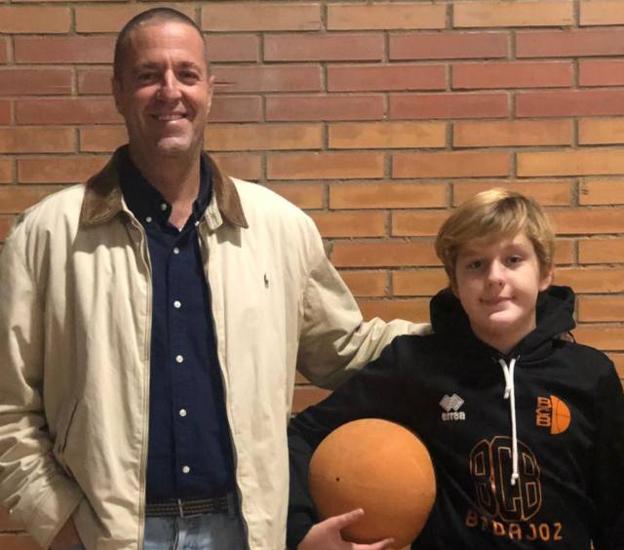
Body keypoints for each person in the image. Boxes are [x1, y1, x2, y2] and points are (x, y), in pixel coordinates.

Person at [0, 8, 428, 550]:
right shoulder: (46, 237)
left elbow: (344, 350)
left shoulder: (280, 229)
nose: (169, 91)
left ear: (210, 90)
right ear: (118, 91)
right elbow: (9, 409)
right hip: (109, 537)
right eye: (148, 74)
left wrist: (465, 334)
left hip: (243, 530)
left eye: (187, 74)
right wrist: (62, 528)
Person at [287, 188, 624, 549]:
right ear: (456, 284)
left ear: (545, 274)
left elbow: (616, 507)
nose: (494, 277)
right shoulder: (415, 365)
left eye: (512, 259)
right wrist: (301, 532)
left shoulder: (590, 375)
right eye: (475, 264)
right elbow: (302, 435)